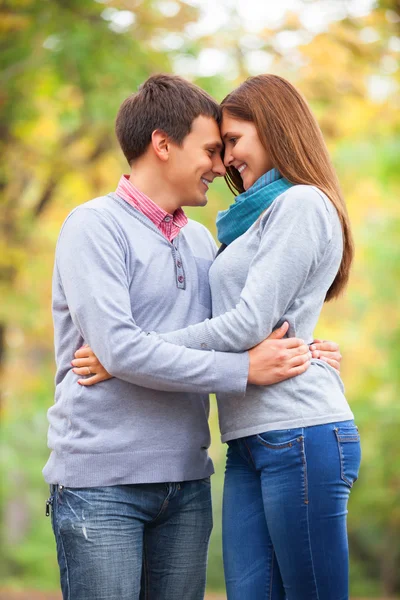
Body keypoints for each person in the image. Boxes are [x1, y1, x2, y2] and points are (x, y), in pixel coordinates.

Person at [45, 74, 341, 600]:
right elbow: (124, 349)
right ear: (163, 144)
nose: (221, 164)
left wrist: (306, 344)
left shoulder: (204, 243)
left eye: (225, 147)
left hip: (186, 482)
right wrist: (242, 369)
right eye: (211, 148)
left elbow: (238, 326)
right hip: (102, 484)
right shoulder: (93, 227)